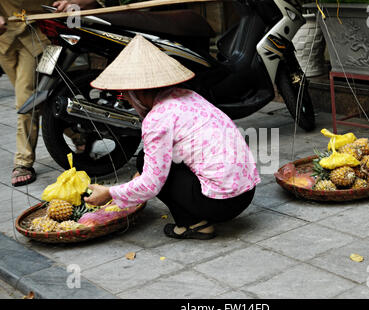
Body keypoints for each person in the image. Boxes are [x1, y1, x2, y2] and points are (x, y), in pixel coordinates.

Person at [84, 35, 260, 239]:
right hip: (246, 193)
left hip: (221, 204)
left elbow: (152, 184)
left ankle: (192, 224)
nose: (127, 101)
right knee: (149, 160)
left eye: (126, 95)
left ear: (138, 92)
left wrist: (110, 192)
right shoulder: (189, 95)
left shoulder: (157, 118)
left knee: (144, 162)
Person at [0, 1, 54, 187]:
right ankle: (78, 136)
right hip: (4, 40)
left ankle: (23, 161)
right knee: (36, 100)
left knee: (26, 101)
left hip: (34, 35)